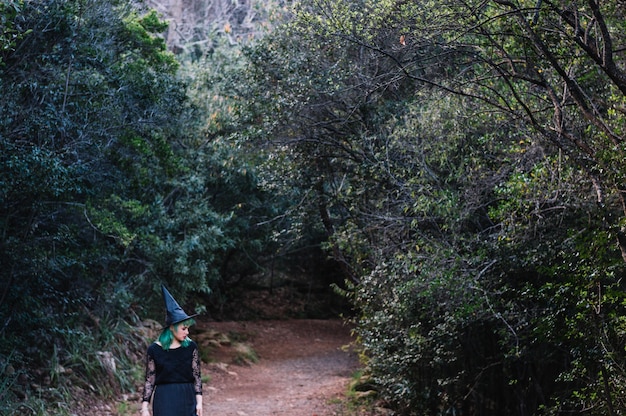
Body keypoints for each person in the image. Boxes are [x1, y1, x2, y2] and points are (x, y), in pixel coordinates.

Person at [141, 285, 203, 416]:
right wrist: (145, 407)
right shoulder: (154, 350)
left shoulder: (191, 347)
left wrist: (199, 402)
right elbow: (150, 379)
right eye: (183, 328)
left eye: (188, 328)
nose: (187, 332)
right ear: (171, 328)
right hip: (165, 399)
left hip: (187, 397)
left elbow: (196, 376)